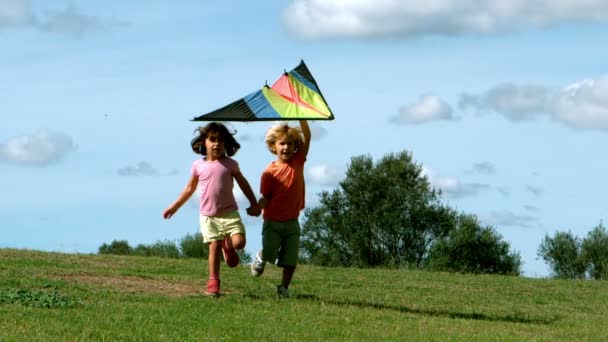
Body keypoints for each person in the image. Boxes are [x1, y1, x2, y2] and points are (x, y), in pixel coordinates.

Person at [163, 122, 260, 296]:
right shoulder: (198, 166)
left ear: (226, 143)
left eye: (221, 140)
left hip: (230, 213)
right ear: (203, 142)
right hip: (209, 216)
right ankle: (213, 281)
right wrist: (174, 207)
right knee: (213, 247)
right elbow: (189, 189)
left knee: (240, 243)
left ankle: (228, 246)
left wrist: (254, 203)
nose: (216, 144)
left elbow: (243, 184)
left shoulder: (230, 164)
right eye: (212, 140)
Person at [251, 120, 310, 298]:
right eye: (282, 143)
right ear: (273, 146)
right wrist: (257, 207)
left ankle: (283, 289)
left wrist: (302, 117)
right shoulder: (269, 172)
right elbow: (266, 197)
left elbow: (307, 136)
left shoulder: (298, 161)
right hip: (273, 222)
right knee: (270, 254)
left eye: (290, 144)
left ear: (295, 146)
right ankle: (261, 256)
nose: (286, 147)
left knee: (290, 259)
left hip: (292, 221)